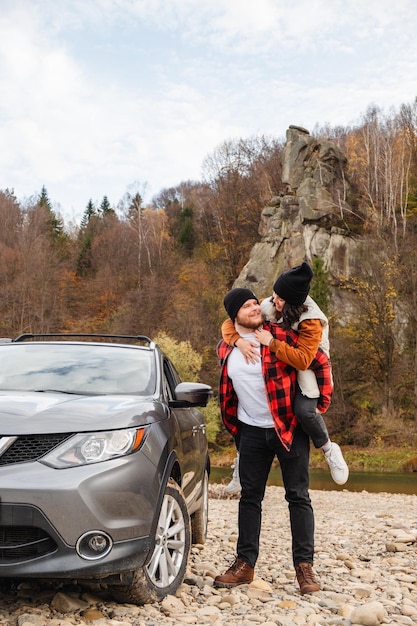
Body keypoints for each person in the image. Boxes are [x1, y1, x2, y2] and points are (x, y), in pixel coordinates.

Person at [214, 287, 333, 594]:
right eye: (247, 305)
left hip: (289, 428)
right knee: (249, 498)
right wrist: (237, 339)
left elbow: (318, 359)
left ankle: (304, 569)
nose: (255, 307)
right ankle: (245, 565)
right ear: (234, 315)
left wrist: (318, 405)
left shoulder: (280, 336)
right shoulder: (226, 348)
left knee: (298, 497)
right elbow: (227, 342)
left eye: (256, 303)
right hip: (250, 431)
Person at [222, 262, 349, 491]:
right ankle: (243, 462)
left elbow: (303, 359)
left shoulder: (311, 321)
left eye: (280, 299)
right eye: (274, 295)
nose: (273, 301)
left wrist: (270, 342)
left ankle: (330, 449)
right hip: (284, 351)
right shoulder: (272, 303)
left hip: (310, 363)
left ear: (294, 302)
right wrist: (238, 341)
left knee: (304, 410)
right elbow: (231, 321)